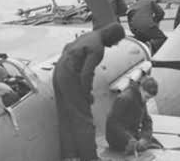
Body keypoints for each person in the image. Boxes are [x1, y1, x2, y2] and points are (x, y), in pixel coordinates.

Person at [53, 22, 126, 161]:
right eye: (117, 41)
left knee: (65, 117)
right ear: (111, 37)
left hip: (59, 71)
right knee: (84, 120)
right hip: (70, 77)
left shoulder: (90, 35)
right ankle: (90, 158)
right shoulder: (98, 49)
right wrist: (86, 95)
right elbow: (86, 74)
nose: (116, 44)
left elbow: (67, 47)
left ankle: (70, 156)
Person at [106, 75, 158, 154]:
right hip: (117, 138)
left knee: (154, 145)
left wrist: (145, 137)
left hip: (132, 134)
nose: (147, 100)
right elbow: (112, 123)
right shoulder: (124, 99)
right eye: (147, 97)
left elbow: (147, 120)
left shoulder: (141, 98)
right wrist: (129, 139)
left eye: (149, 98)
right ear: (141, 89)